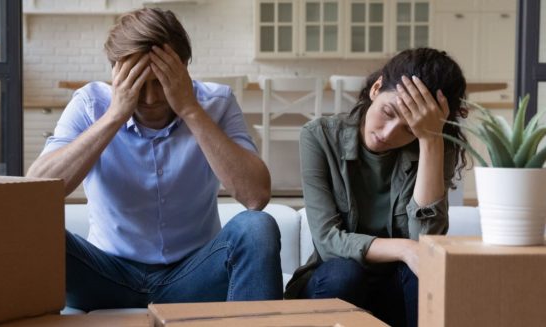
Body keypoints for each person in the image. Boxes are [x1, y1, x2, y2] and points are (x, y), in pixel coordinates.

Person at [27, 7, 283, 311]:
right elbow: (37, 189)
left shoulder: (217, 102)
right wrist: (115, 115)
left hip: (192, 276)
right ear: (116, 73)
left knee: (257, 228)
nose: (149, 99)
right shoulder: (90, 104)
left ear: (183, 68)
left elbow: (257, 197)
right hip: (106, 275)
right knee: (31, 232)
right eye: (137, 83)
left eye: (161, 81)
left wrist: (190, 109)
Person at [284, 48, 468, 327]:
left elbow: (427, 243)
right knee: (344, 274)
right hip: (335, 285)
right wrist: (403, 249)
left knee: (425, 272)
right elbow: (328, 240)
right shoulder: (319, 136)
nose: (387, 133)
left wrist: (430, 142)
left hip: (397, 291)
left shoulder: (434, 148)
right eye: (388, 112)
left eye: (409, 129)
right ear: (376, 88)